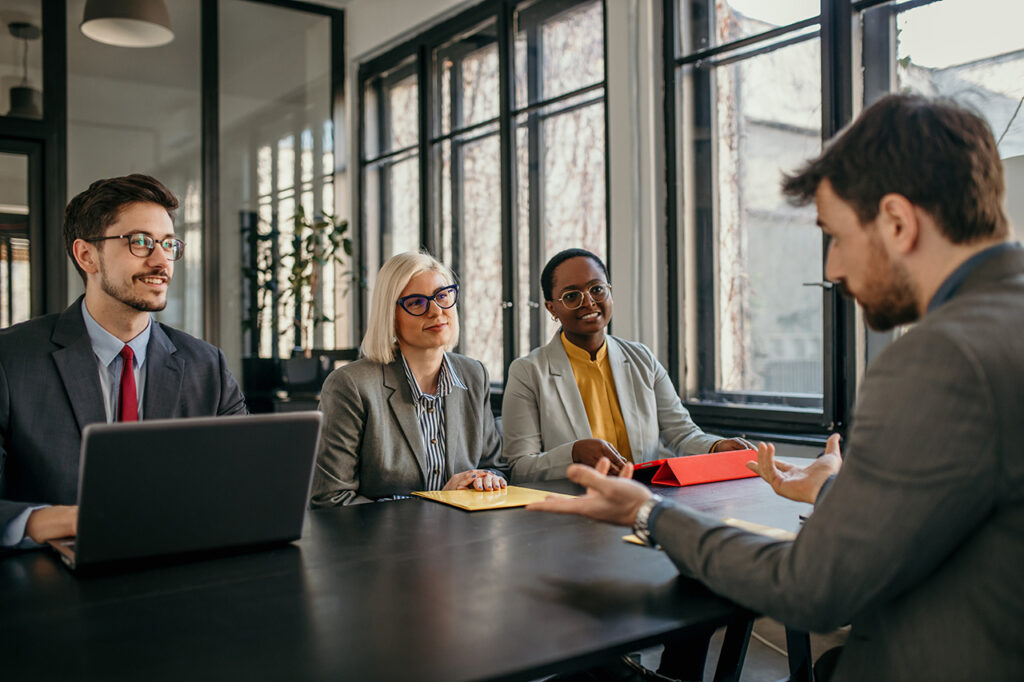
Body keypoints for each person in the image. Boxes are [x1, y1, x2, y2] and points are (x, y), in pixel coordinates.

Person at [528, 94, 1024, 681]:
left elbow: (814, 589)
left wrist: (650, 515)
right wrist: (834, 490)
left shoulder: (940, 358)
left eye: (835, 237)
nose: (833, 269)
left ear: (897, 222)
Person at [0, 174, 247, 549]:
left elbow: (246, 483)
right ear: (86, 255)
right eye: (140, 242)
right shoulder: (11, 359)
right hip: (50, 585)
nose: (161, 259)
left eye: (168, 244)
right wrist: (45, 520)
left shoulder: (205, 364)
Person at [502, 248, 751, 483]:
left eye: (597, 289)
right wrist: (574, 453)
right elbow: (521, 468)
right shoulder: (528, 372)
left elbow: (682, 434)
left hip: (646, 498)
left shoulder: (641, 358)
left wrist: (716, 447)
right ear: (551, 308)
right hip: (578, 506)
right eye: (571, 296)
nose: (588, 302)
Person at [310, 251, 506, 506]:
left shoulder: (474, 374)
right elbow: (331, 499)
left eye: (442, 296)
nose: (436, 311)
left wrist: (487, 480)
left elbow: (495, 467)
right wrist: (435, 503)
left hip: (465, 535)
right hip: (385, 543)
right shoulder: (350, 385)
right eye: (416, 303)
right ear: (390, 317)